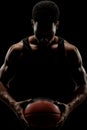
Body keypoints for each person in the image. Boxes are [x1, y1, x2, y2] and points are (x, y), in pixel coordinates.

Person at [0, 0, 87, 130]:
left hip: (61, 120)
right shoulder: (17, 51)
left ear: (57, 25)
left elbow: (83, 86)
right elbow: (0, 82)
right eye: (40, 33)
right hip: (22, 120)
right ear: (32, 24)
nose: (44, 39)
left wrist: (69, 107)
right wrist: (14, 105)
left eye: (49, 34)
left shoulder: (70, 52)